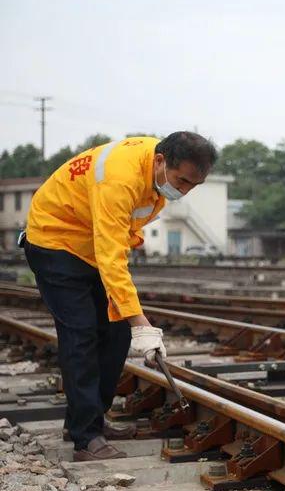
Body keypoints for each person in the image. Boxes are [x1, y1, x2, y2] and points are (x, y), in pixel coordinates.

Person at [22, 132, 218, 461]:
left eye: (192, 187)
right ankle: (86, 440)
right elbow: (112, 256)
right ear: (160, 161)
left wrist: (130, 321)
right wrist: (141, 322)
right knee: (81, 333)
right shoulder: (119, 179)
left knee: (114, 333)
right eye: (181, 181)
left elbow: (117, 242)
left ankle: (88, 420)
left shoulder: (154, 170)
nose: (182, 192)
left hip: (91, 247)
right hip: (54, 241)